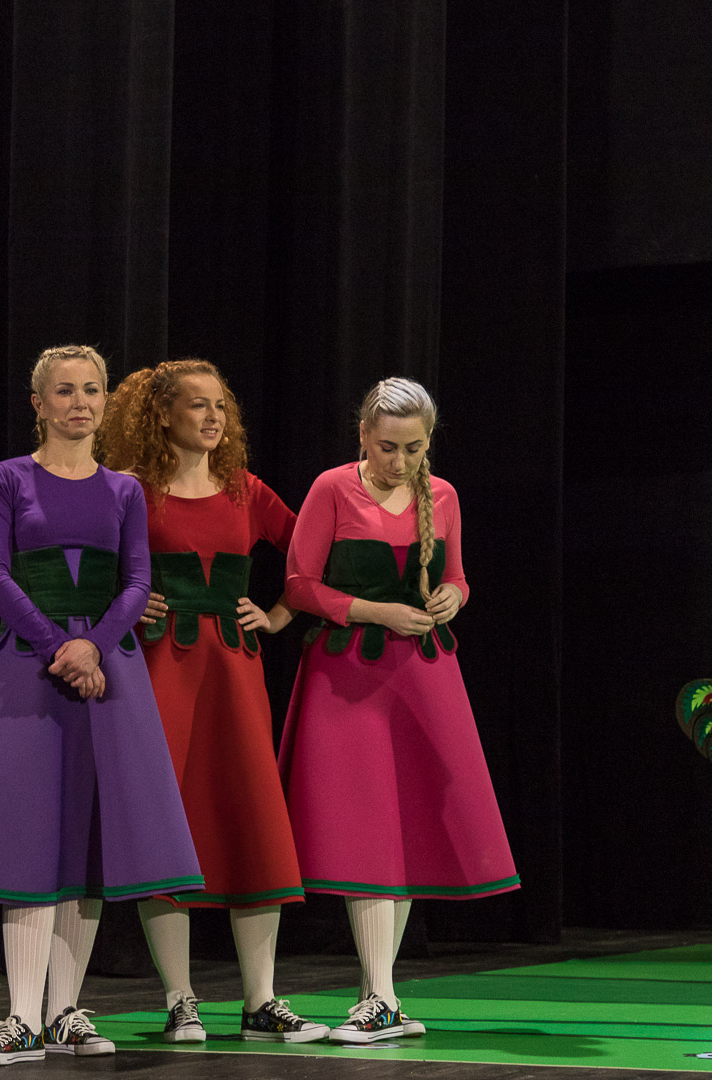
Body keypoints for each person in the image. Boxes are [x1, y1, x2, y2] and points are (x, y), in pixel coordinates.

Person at [0, 345, 203, 1066]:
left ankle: (64, 1011)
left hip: (108, 673)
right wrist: (59, 647)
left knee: (86, 837)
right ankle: (21, 1017)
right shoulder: (7, 478)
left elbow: (137, 581)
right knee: (29, 836)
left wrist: (95, 647)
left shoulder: (124, 490)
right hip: (29, 668)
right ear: (38, 403)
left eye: (93, 390)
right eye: (66, 391)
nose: (81, 403)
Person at [277, 376, 519, 1044]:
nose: (400, 461)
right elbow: (299, 585)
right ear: (363, 435)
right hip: (348, 675)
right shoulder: (332, 488)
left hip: (422, 676)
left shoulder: (443, 495)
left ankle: (380, 995)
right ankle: (380, 997)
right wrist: (373, 610)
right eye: (388, 447)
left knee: (404, 825)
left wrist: (453, 598)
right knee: (365, 827)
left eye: (414, 448)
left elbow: (459, 576)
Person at [95, 359, 330, 1044]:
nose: (213, 417)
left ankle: (262, 1000)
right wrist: (123, 603)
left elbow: (315, 553)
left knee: (250, 820)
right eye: (198, 405)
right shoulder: (130, 490)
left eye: (220, 405)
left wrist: (279, 614)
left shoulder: (244, 489)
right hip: (161, 672)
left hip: (234, 674)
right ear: (162, 414)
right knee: (167, 823)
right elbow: (84, 565)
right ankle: (181, 999)